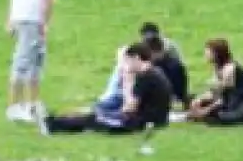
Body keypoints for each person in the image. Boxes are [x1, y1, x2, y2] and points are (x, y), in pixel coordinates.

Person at [43, 39, 173, 135]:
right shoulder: (156, 72)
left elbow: (129, 108)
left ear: (136, 58)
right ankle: (54, 121)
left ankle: (53, 124)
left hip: (138, 123)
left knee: (94, 118)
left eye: (128, 61)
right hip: (153, 120)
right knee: (96, 116)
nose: (126, 66)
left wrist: (128, 81)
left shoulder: (145, 77)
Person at [4, 0, 66, 123]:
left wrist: (10, 17)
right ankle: (14, 106)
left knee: (35, 60)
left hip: (21, 13)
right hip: (33, 16)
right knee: (24, 59)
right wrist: (44, 22)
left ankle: (33, 103)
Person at [185, 39, 243, 125]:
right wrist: (198, 100)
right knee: (198, 105)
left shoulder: (229, 69)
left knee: (216, 117)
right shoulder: (218, 67)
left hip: (238, 104)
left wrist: (205, 111)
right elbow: (215, 91)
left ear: (217, 54)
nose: (206, 54)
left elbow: (222, 97)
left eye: (208, 52)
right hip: (227, 100)